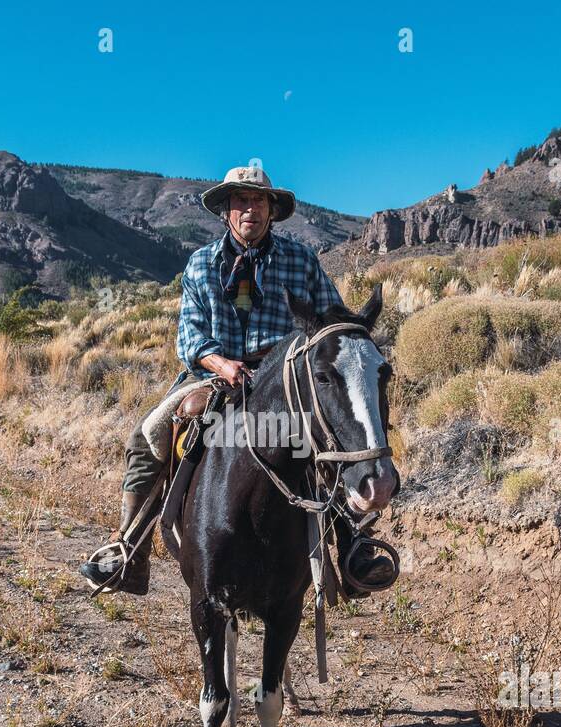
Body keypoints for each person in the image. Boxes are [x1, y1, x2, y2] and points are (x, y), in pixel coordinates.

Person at [77, 165, 395, 596]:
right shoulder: (201, 264)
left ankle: (353, 546)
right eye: (241, 201)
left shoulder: (301, 260)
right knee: (149, 434)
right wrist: (221, 364)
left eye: (258, 201)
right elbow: (190, 337)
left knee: (326, 433)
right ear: (227, 210)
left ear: (271, 211)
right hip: (213, 373)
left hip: (284, 378)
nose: (250, 208)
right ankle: (129, 548)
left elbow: (331, 321)